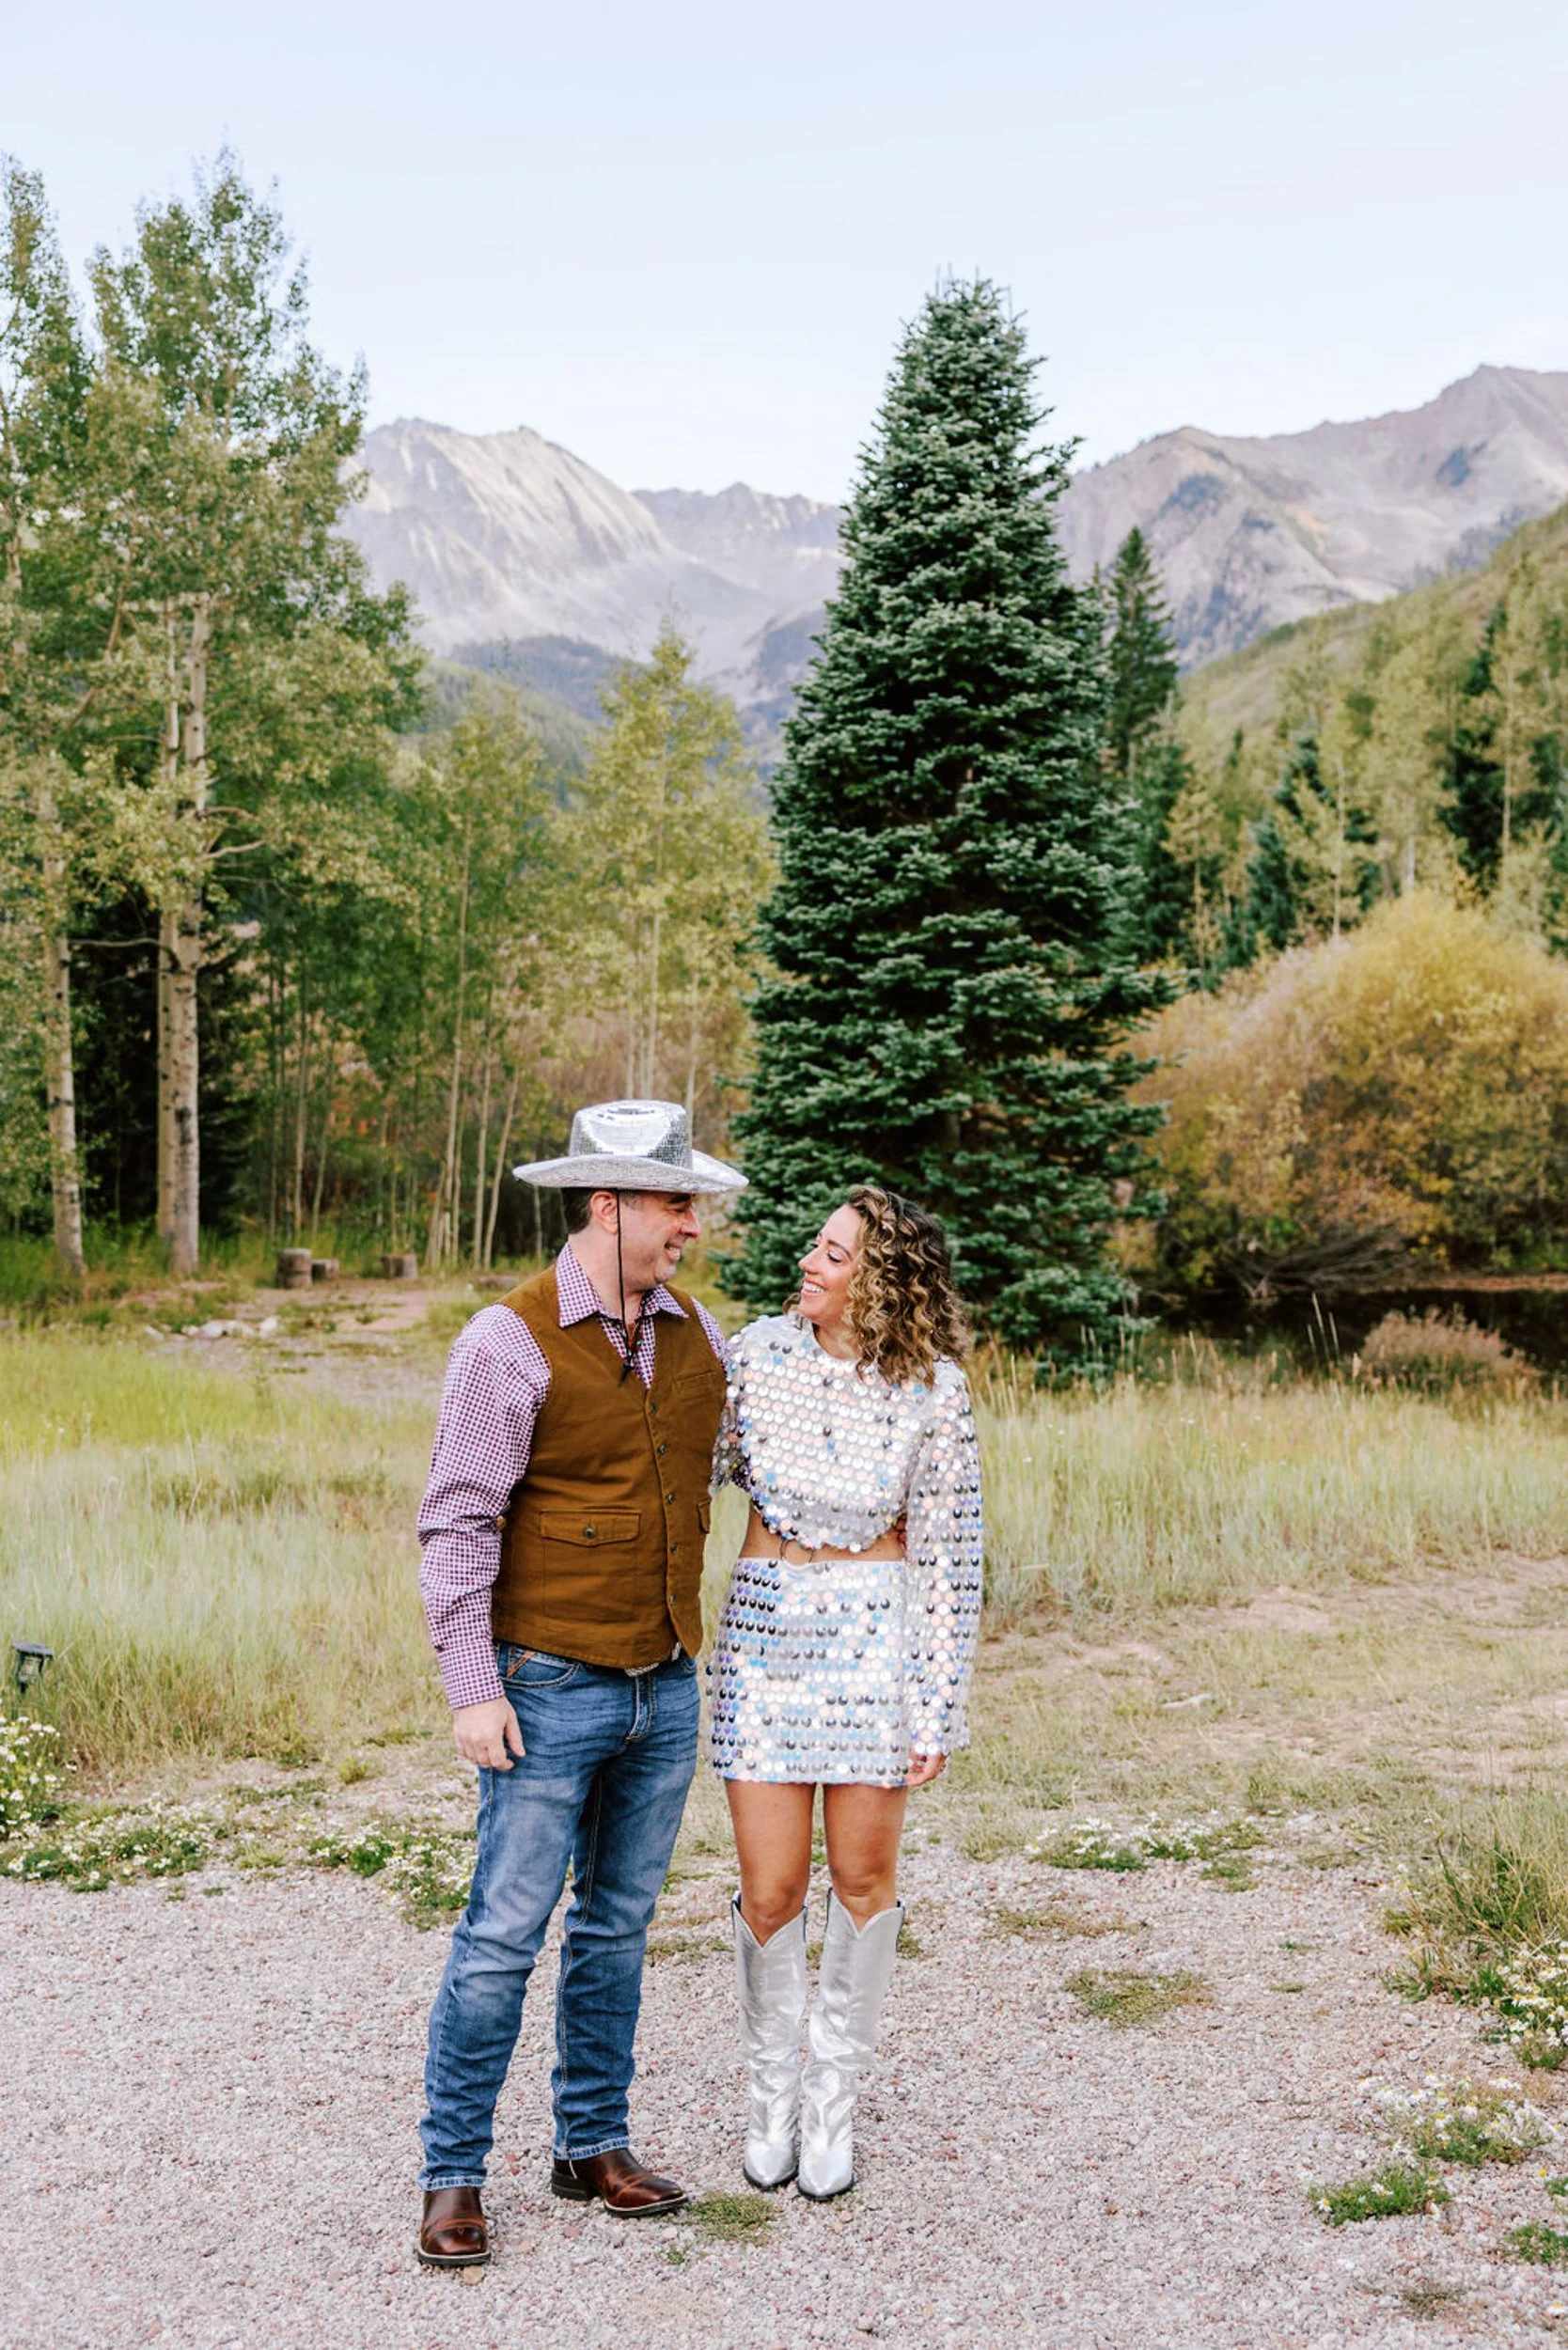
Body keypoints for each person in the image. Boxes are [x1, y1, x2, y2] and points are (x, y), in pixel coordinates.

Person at [414, 1099, 745, 2270]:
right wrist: (472, 1687)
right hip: (545, 1684)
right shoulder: (505, 1343)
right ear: (606, 1206)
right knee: (503, 1933)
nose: (690, 1225)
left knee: (616, 1927)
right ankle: (453, 2174)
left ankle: (589, 2142)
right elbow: (457, 1523)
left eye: (690, 1204)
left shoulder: (695, 1334)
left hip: (665, 1686)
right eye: (672, 1204)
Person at [708, 1185, 983, 2200]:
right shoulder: (753, 1358)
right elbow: (692, 1473)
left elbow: (951, 1555)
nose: (809, 1264)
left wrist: (935, 1701)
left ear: (879, 1281)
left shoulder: (935, 1391)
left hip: (877, 1644)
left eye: (832, 1254)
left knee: (863, 1883)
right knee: (773, 1887)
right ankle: (770, 2092)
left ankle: (832, 2102)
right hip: (764, 1642)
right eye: (814, 1247)